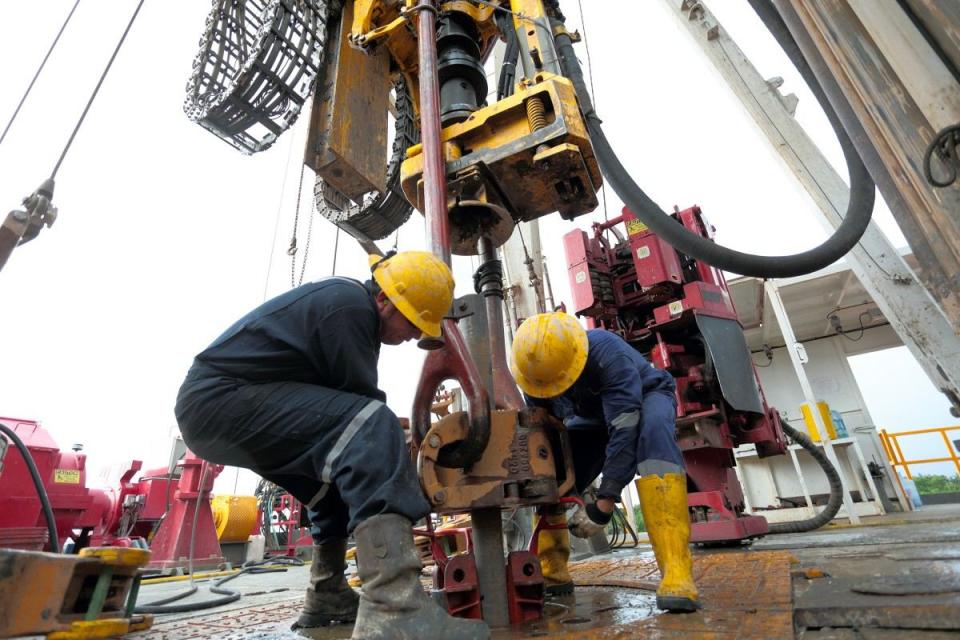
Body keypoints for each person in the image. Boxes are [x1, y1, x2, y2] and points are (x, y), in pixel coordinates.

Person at [174, 251, 488, 640]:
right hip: (219, 401)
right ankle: (397, 609)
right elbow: (366, 416)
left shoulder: (353, 311)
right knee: (373, 427)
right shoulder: (348, 306)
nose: (412, 336)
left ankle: (327, 594)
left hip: (220, 410)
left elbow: (347, 418)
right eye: (412, 322)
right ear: (384, 299)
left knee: (331, 489)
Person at [510, 312, 700, 612]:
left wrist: (603, 505)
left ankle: (677, 572)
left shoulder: (607, 354)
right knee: (552, 469)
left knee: (653, 440)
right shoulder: (536, 375)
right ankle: (552, 571)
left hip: (647, 395)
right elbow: (545, 436)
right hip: (591, 417)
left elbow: (624, 431)